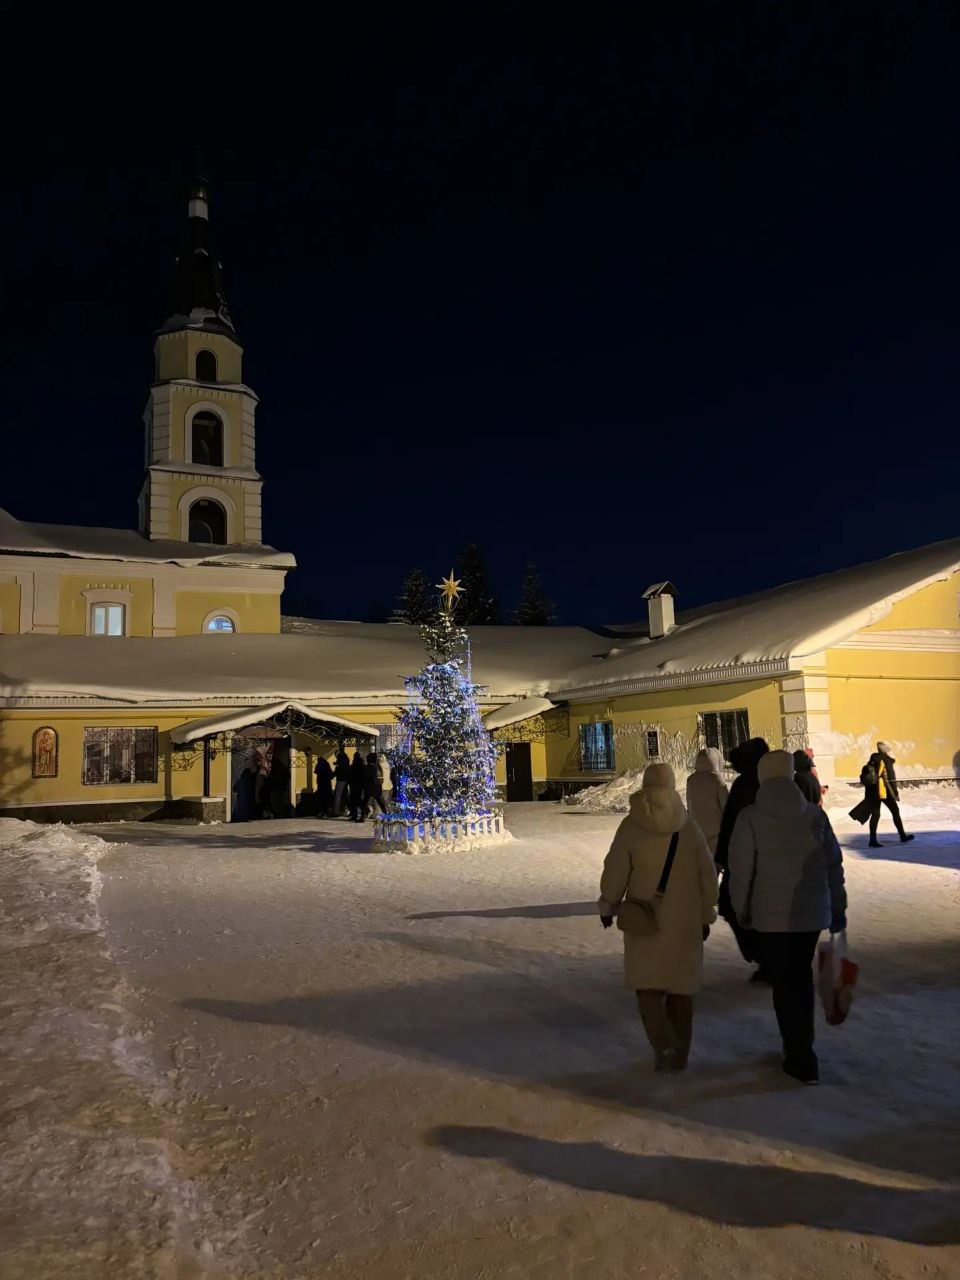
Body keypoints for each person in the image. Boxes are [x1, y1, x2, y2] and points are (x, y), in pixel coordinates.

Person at [728, 750, 847, 1085]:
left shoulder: (751, 817)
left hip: (770, 917)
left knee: (786, 984)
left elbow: (741, 872)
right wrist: (838, 907)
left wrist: (742, 908)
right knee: (799, 979)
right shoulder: (813, 815)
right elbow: (833, 866)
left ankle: (799, 1056)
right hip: (810, 915)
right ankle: (802, 1051)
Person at [598, 763, 718, 1073]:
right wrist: (706, 912)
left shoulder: (630, 826)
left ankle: (663, 1043)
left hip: (645, 921)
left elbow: (615, 870)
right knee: (681, 992)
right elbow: (706, 874)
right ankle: (680, 1057)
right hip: (685, 922)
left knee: (647, 988)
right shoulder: (689, 827)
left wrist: (609, 905)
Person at [714, 737, 770, 978]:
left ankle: (764, 957)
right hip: (769, 859)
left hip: (744, 857)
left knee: (730, 904)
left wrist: (723, 857)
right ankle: (767, 958)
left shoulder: (745, 784)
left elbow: (731, 824)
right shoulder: (776, 782)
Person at [860, 744, 914, 847]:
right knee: (895, 811)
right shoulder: (885, 760)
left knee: (875, 815)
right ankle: (902, 836)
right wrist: (895, 793)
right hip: (884, 791)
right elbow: (891, 778)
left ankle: (872, 840)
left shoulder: (873, 758)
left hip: (873, 791)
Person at [685, 748, 729, 856]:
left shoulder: (691, 780)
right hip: (715, 830)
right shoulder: (717, 779)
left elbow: (688, 802)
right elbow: (726, 805)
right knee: (715, 861)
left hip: (697, 828)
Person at [348, 749, 367, 822]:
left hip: (354, 784)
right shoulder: (362, 765)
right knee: (356, 799)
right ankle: (358, 813)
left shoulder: (354, 765)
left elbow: (350, 774)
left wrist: (350, 781)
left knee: (354, 800)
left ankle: (355, 815)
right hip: (360, 785)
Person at [364, 752, 384, 817]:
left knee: (364, 802)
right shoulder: (378, 768)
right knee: (380, 803)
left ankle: (362, 816)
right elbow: (380, 779)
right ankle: (387, 815)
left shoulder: (367, 767)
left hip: (369, 788)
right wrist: (380, 788)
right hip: (376, 788)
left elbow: (364, 778)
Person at [333, 747, 351, 816]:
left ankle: (336, 811)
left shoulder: (339, 764)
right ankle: (349, 809)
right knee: (346, 796)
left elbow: (336, 772)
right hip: (347, 781)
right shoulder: (347, 761)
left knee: (337, 796)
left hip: (340, 780)